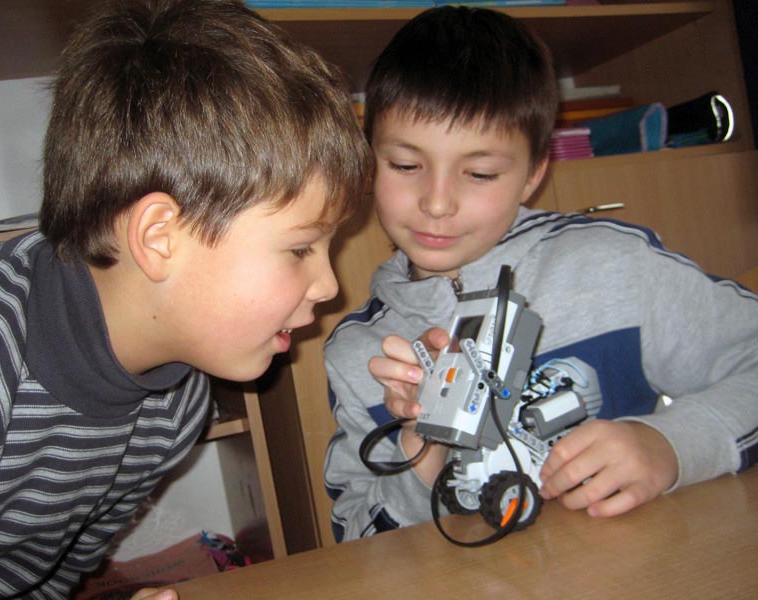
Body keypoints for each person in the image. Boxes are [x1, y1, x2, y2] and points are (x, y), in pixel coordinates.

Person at [0, 0, 370, 597]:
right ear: (159, 238)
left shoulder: (176, 406)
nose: (330, 286)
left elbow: (46, 577)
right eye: (300, 248)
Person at [323, 5, 758, 543]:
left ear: (533, 174)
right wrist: (419, 456)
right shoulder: (358, 355)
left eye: (480, 172)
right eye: (406, 166)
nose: (436, 203)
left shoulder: (612, 267)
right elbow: (357, 539)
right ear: (369, 162)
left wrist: (672, 445)